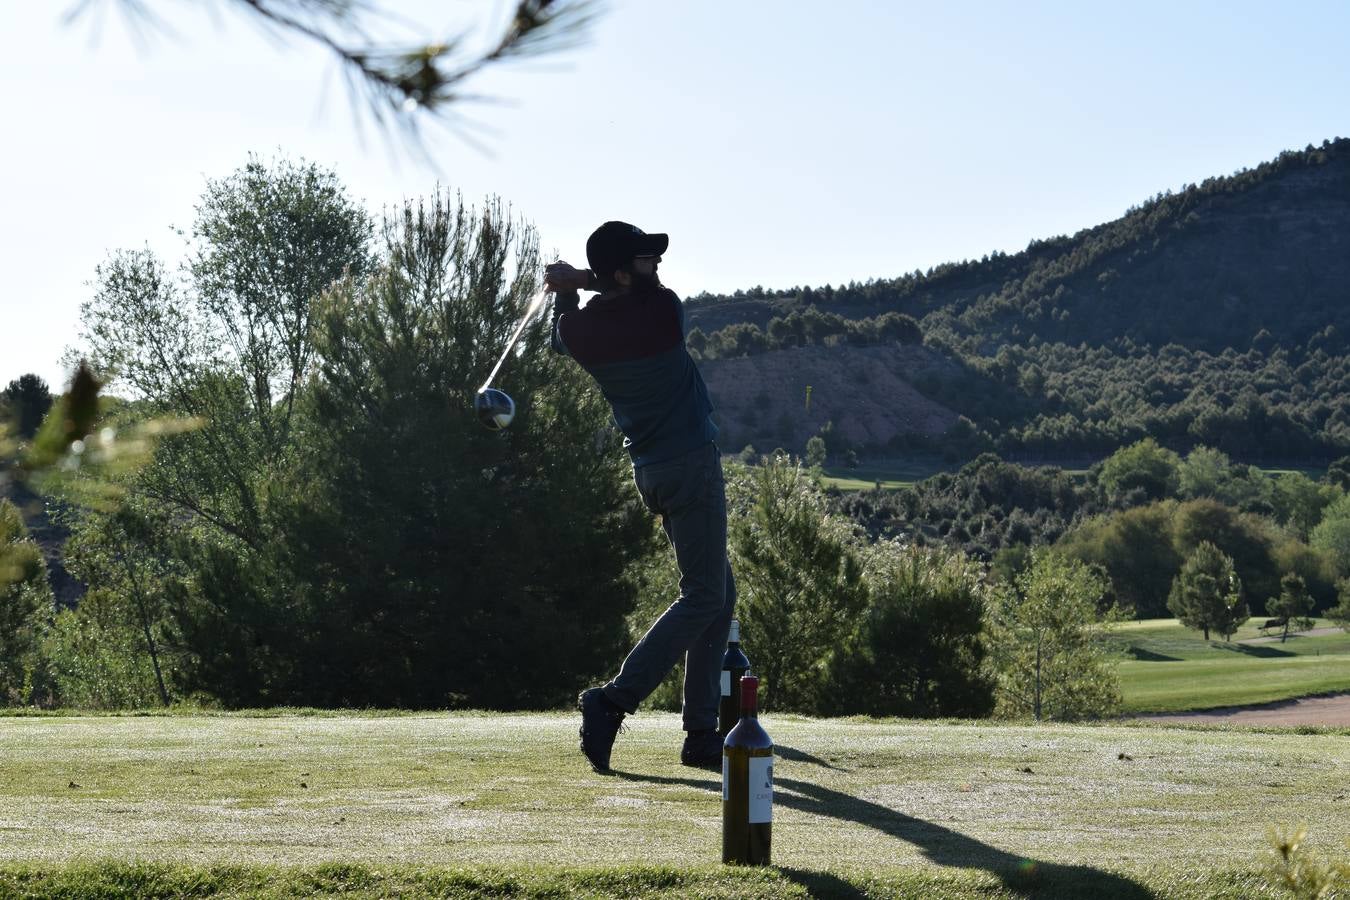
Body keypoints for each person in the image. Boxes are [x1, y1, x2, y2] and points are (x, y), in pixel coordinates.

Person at [544, 221, 736, 772]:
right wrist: (582, 279)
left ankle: (700, 734)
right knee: (702, 595)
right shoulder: (663, 311)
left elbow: (564, 331)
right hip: (692, 465)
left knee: (719, 594)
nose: (659, 267)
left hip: (652, 470)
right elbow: (639, 292)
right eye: (646, 261)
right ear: (625, 274)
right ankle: (613, 701)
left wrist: (571, 288)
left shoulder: (579, 334)